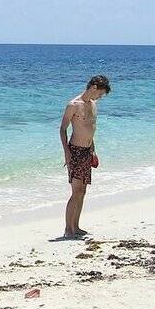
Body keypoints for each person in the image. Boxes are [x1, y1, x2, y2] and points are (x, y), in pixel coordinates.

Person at [59, 75, 111, 239]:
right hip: (75, 151)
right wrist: (67, 152)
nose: (100, 97)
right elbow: (62, 129)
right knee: (76, 191)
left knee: (83, 191)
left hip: (88, 151)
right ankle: (68, 229)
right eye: (100, 94)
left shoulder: (93, 104)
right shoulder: (73, 105)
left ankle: (76, 226)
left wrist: (93, 150)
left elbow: (90, 128)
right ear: (94, 87)